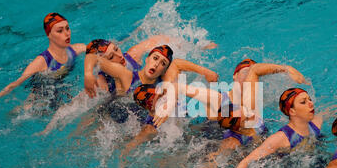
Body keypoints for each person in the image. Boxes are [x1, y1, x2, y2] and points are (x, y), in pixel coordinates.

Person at [123, 59, 308, 168]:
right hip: (210, 132)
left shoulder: (249, 107)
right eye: (244, 73)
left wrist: (286, 69)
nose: (250, 77)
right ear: (235, 76)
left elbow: (257, 70)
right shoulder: (222, 102)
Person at [39, 37, 218, 134]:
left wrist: (201, 55)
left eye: (117, 49)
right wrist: (87, 75)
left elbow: (171, 57)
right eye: (112, 57)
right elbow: (93, 55)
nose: (120, 57)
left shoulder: (136, 59)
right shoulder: (117, 77)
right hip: (122, 112)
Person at [0, 13, 86, 113]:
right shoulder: (41, 62)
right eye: (60, 31)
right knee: (24, 112)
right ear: (49, 35)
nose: (66, 33)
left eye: (67, 28)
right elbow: (13, 85)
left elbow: (97, 51)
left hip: (62, 88)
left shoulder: (77, 49)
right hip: (41, 95)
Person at [234, 88, 324, 168]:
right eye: (303, 102)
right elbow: (246, 161)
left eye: (310, 99)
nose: (311, 104)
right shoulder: (281, 138)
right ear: (292, 111)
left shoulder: (316, 123)